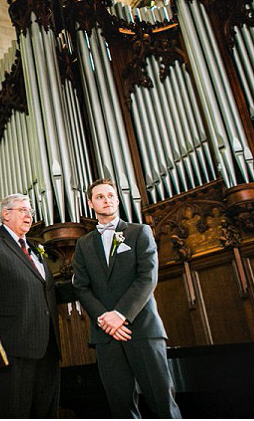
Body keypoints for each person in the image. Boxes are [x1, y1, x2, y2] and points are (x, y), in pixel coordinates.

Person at [72, 178, 182, 418]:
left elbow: (147, 278)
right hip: (106, 336)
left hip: (141, 329)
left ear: (118, 200)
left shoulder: (139, 231)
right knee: (121, 406)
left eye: (110, 195)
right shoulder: (83, 244)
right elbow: (80, 287)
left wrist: (120, 316)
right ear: (91, 203)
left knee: (162, 400)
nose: (106, 200)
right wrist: (105, 319)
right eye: (100, 196)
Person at [0, 193, 60, 418]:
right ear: (5, 214)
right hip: (11, 345)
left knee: (44, 412)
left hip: (47, 347)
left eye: (31, 212)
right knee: (10, 410)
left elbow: (46, 291)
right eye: (23, 210)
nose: (29, 215)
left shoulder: (36, 250)